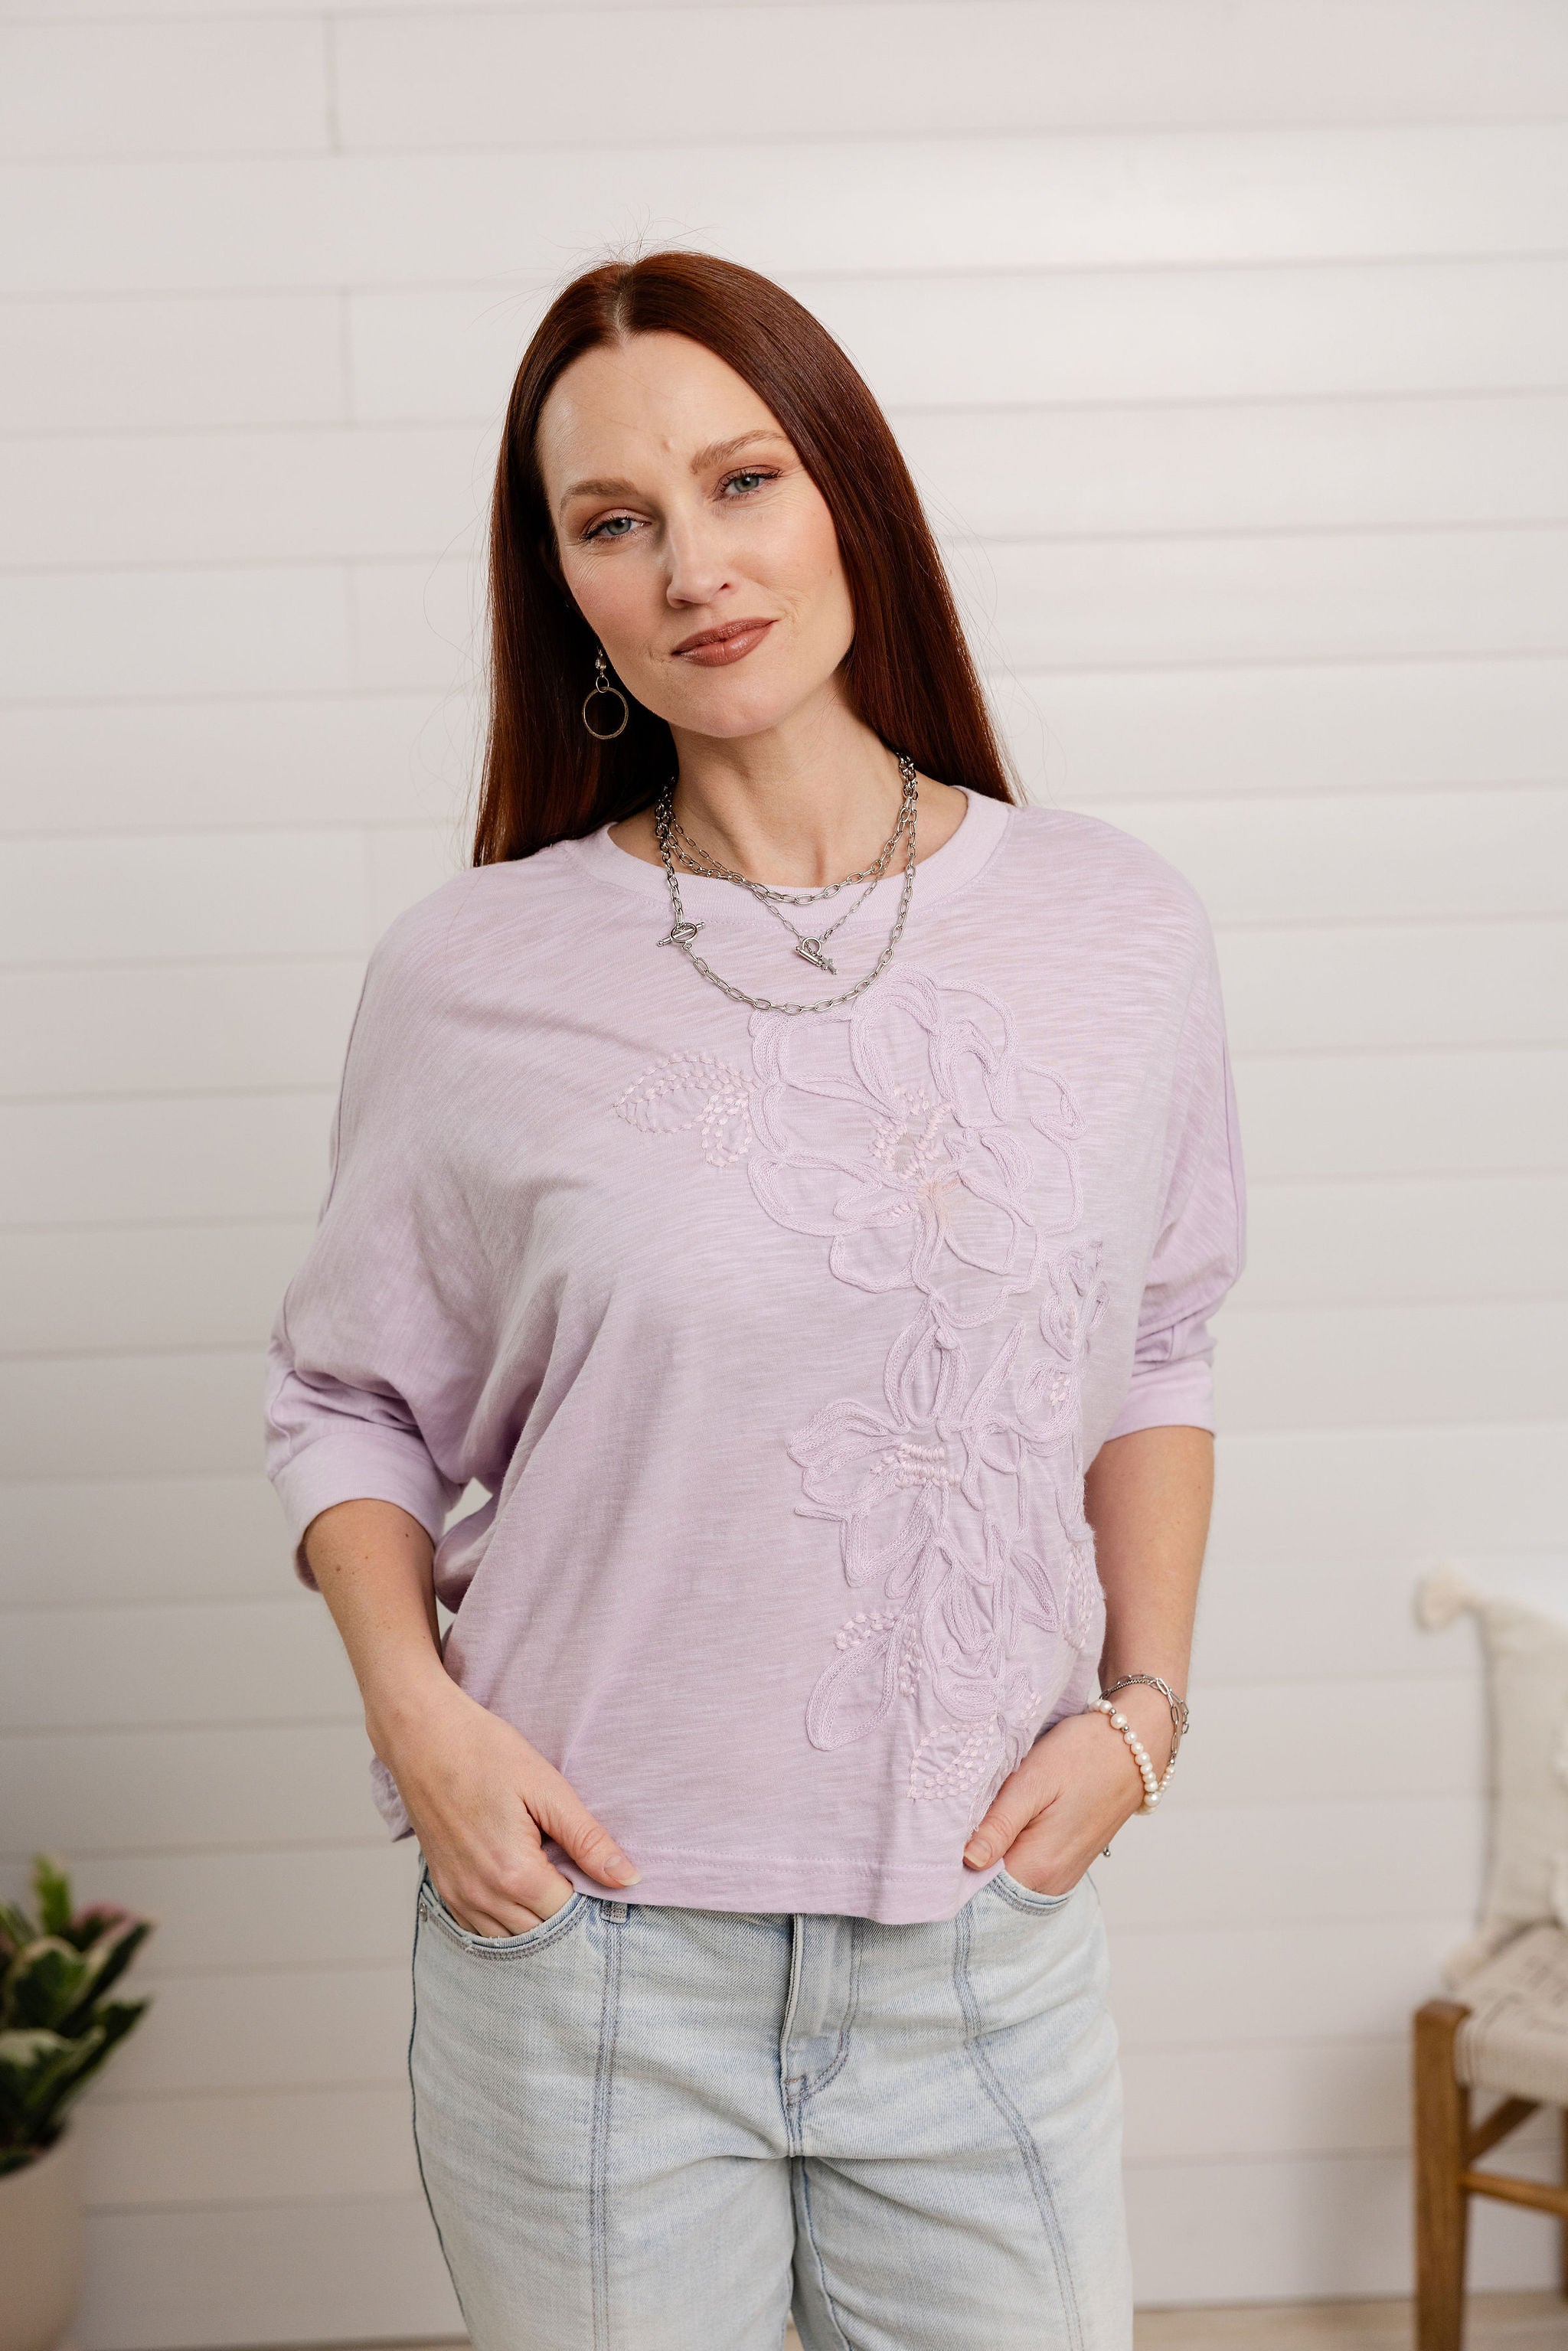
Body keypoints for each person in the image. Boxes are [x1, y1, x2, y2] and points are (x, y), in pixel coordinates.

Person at [264, 250, 1246, 2351]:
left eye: (741, 482)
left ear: (845, 497)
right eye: (614, 521)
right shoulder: (473, 970)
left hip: (980, 1942)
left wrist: (1145, 1714)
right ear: (566, 590)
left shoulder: (1117, 929)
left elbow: (1159, 1342)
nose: (694, 567)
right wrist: (419, 1724)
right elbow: (350, 1400)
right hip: (592, 1957)